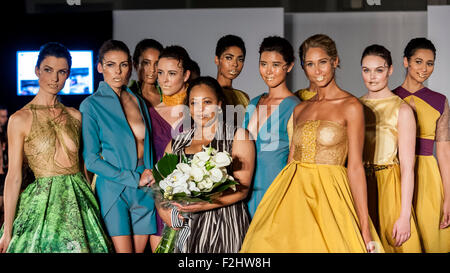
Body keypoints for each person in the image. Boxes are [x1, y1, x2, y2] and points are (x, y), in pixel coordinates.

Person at [240, 34, 383, 253]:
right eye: (310, 64)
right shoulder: (300, 109)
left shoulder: (351, 106)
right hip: (292, 195)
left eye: (322, 62)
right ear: (304, 68)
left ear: (335, 61)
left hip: (329, 196)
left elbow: (355, 167)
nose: (317, 71)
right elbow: (291, 162)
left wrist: (364, 226)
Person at [0, 42, 111, 253]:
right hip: (41, 205)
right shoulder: (19, 119)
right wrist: (7, 230)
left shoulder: (75, 116)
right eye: (48, 70)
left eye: (62, 72)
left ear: (68, 74)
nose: (55, 78)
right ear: (36, 71)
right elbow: (13, 176)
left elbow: (84, 166)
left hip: (80, 203)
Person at [159, 76, 255, 253]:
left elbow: (242, 189)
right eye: (194, 103)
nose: (200, 109)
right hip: (185, 227)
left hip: (224, 224)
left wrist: (204, 205)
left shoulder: (238, 136)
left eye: (207, 102)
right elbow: (161, 184)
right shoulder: (177, 142)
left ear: (219, 105)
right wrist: (162, 210)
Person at [80, 39, 157, 253]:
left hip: (146, 185)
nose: (118, 71)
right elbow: (92, 160)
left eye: (123, 65)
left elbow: (148, 143)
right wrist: (133, 178)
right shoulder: (91, 105)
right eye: (111, 65)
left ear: (130, 67)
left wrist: (151, 176)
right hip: (115, 188)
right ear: (99, 67)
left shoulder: (139, 101)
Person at [359, 44, 422, 252]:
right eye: (366, 70)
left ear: (390, 70)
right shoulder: (354, 106)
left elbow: (407, 168)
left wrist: (404, 216)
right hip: (360, 185)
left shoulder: (402, 109)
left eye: (379, 70)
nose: (372, 76)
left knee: (392, 244)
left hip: (389, 186)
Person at [393, 37, 450, 252]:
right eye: (418, 61)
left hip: (428, 177)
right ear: (405, 62)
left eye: (430, 63)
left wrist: (449, 197)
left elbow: (444, 152)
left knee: (431, 239)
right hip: (395, 175)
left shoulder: (440, 101)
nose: (424, 68)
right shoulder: (389, 97)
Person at [243, 36, 300, 218]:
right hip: (245, 187)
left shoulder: (295, 106)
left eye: (275, 65)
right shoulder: (253, 103)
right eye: (263, 64)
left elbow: (297, 158)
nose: (268, 71)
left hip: (274, 187)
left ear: (289, 66)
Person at [147, 45, 193, 250]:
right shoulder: (148, 114)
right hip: (160, 202)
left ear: (186, 75)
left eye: (172, 73)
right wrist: (162, 207)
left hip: (195, 201)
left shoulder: (200, 112)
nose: (164, 79)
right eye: (160, 73)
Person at [215, 34, 250, 107]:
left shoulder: (243, 97)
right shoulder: (208, 92)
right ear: (217, 60)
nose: (235, 64)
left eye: (240, 59)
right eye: (229, 58)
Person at [129, 38, 164, 108]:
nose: (152, 70)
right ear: (135, 65)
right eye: (146, 63)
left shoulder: (168, 95)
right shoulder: (127, 95)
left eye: (157, 64)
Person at [0, 105, 8, 224]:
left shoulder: (4, 131)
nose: (5, 119)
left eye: (6, 116)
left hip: (4, 169)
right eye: (2, 117)